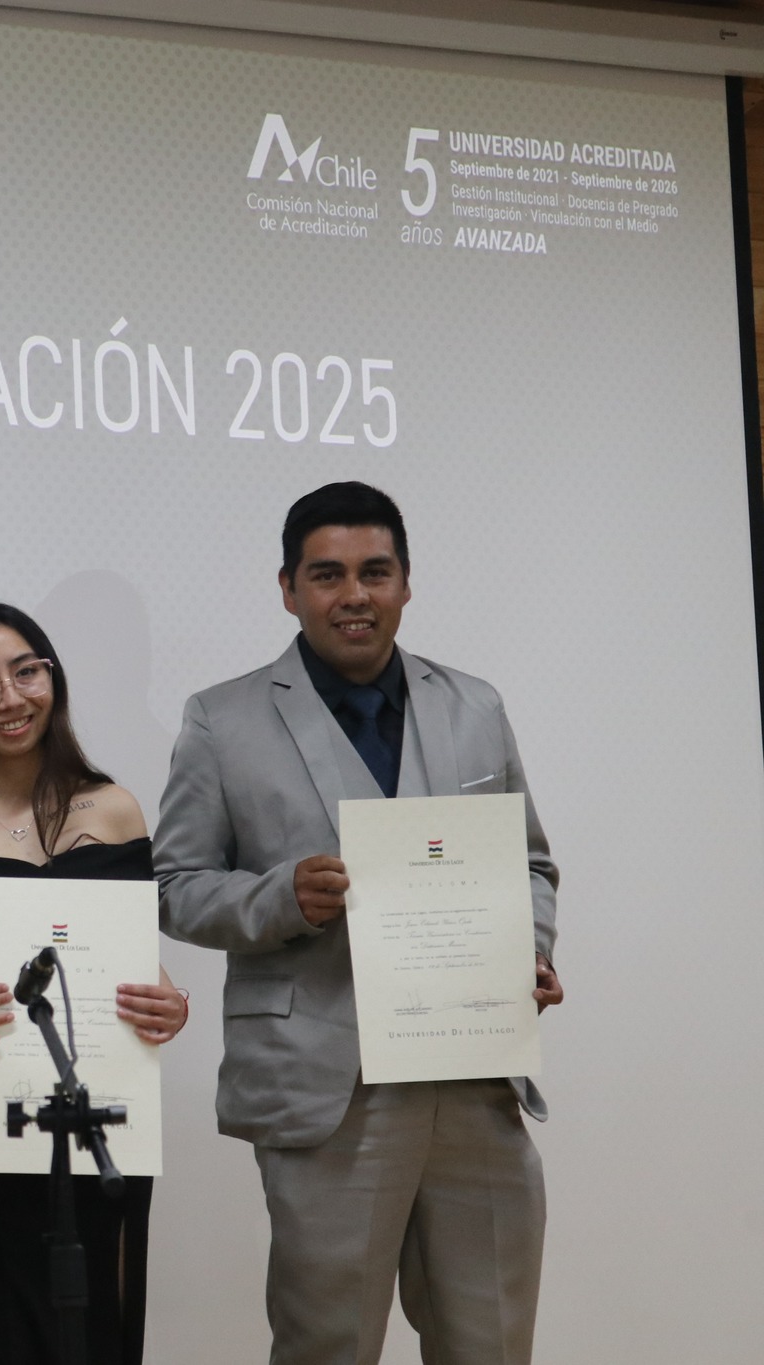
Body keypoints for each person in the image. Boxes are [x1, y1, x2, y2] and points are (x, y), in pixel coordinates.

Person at [154, 482, 563, 1365]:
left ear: (407, 583)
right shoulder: (220, 719)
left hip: (472, 1076)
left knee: (492, 1342)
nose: (354, 594)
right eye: (328, 574)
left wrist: (526, 949)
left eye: (375, 572)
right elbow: (175, 885)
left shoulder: (475, 706)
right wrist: (278, 898)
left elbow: (528, 862)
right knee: (325, 1346)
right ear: (288, 587)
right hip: (326, 1094)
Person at [0, 603, 187, 1365]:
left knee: (97, 1320)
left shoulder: (113, 809)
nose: (11, 698)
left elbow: (134, 959)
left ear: (53, 677)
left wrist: (171, 1000)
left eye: (27, 671)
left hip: (102, 1106)